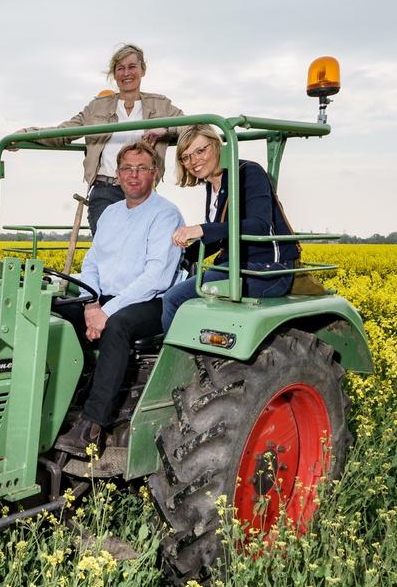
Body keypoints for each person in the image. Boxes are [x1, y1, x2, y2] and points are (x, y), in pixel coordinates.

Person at [54, 141, 184, 457]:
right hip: (104, 300)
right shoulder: (110, 213)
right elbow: (92, 263)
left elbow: (156, 278)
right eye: (127, 168)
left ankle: (91, 427)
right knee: (55, 312)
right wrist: (89, 303)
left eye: (142, 168)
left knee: (118, 327)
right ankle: (61, 400)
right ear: (118, 174)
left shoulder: (166, 214)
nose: (133, 175)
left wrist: (105, 312)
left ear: (155, 173)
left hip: (152, 302)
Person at [15, 43, 184, 234]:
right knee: (107, 249)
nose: (126, 73)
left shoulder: (161, 105)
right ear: (114, 74)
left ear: (143, 70)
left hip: (142, 190)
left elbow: (192, 126)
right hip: (106, 189)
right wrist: (26, 134)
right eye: (120, 68)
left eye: (132, 67)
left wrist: (166, 129)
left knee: (142, 247)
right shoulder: (97, 108)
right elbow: (63, 133)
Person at [160, 125, 299, 332]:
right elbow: (221, 236)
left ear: (217, 146)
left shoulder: (248, 172)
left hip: (267, 269)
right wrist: (181, 256)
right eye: (186, 157)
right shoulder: (212, 185)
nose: (194, 161)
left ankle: (176, 360)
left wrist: (202, 229)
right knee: (170, 285)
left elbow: (259, 226)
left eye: (200, 151)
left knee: (173, 299)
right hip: (235, 267)